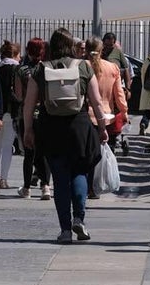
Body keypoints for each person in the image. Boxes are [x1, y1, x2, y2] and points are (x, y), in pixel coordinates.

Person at [22, 28, 109, 243]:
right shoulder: (84, 67)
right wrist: (102, 127)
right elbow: (96, 101)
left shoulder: (40, 70)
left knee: (60, 178)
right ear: (72, 46)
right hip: (78, 125)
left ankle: (65, 230)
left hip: (51, 127)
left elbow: (28, 104)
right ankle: (79, 218)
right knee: (80, 172)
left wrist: (28, 130)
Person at [16, 37, 52, 200]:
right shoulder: (47, 69)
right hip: (44, 113)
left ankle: (26, 188)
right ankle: (45, 186)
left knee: (28, 152)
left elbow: (18, 95)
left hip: (27, 113)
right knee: (44, 151)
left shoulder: (21, 70)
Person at [85, 36, 127, 151]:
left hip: (85, 116)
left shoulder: (80, 66)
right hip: (107, 116)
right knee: (108, 152)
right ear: (101, 50)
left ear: (86, 50)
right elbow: (119, 94)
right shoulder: (113, 67)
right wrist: (124, 112)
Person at [0, 41, 21, 190]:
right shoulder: (17, 69)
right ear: (15, 55)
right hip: (12, 111)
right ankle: (3, 179)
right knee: (7, 146)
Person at [100, 32, 133, 105]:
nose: (108, 47)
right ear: (103, 43)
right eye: (106, 45)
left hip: (116, 84)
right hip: (102, 85)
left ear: (114, 43)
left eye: (110, 45)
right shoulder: (99, 52)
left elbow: (126, 69)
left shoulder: (118, 52)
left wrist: (128, 89)